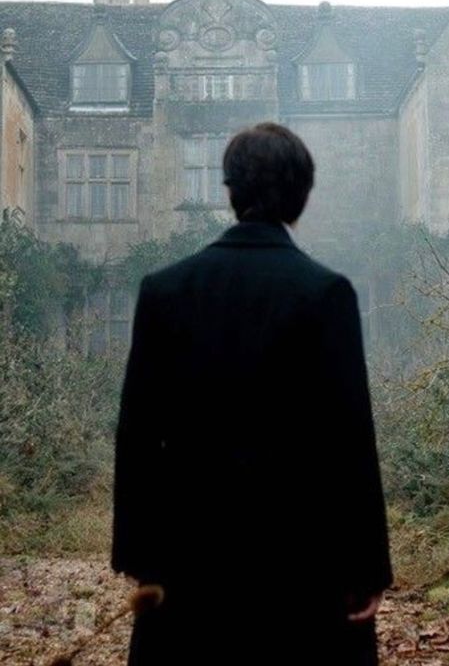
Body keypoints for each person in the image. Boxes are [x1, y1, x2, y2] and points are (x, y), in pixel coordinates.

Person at [112, 122, 392, 665]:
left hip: (188, 559)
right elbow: (349, 439)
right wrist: (366, 567)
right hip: (300, 562)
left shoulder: (163, 291)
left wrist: (138, 557)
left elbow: (138, 435)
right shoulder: (326, 294)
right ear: (302, 196)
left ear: (230, 191)